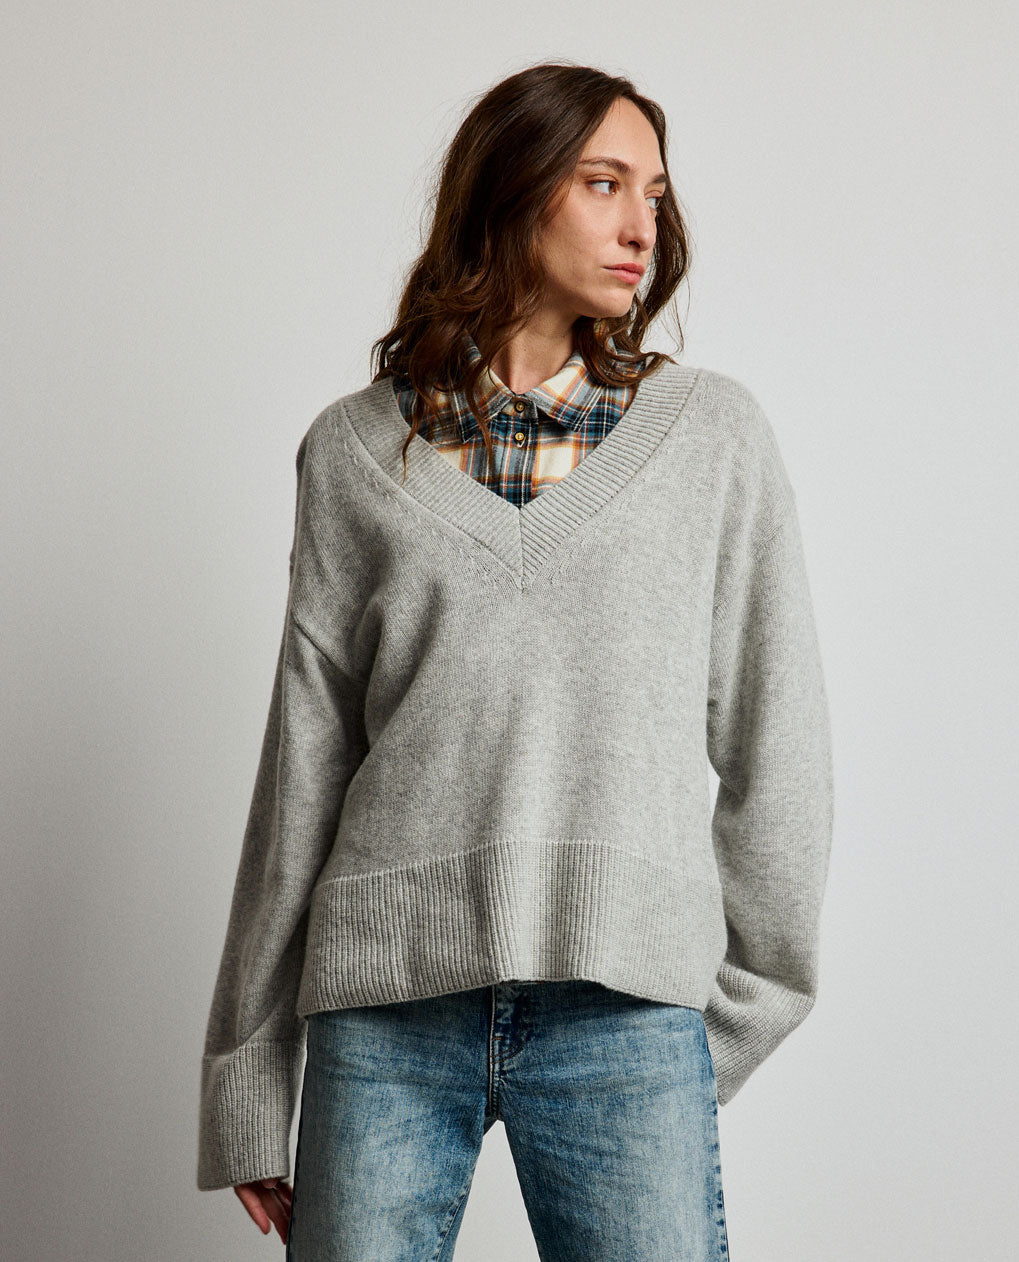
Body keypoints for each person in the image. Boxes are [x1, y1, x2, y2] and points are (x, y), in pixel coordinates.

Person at [196, 61, 834, 1261]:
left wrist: (736, 1011)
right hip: (383, 1017)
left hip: (623, 1018)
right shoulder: (351, 452)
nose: (642, 225)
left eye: (653, 192)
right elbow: (301, 775)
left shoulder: (712, 439)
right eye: (603, 183)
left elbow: (777, 740)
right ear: (512, 187)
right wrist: (249, 1064)